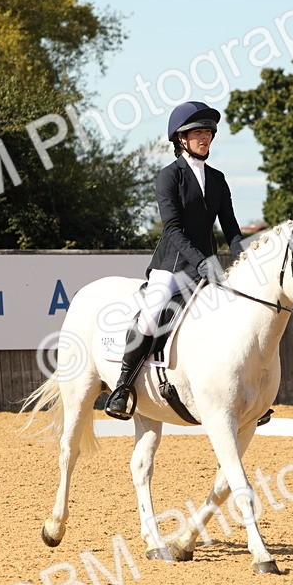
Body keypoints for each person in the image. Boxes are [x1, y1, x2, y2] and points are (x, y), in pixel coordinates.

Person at [104, 100, 244, 420]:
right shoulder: (169, 177)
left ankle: (244, 392)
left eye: (208, 132)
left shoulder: (219, 179)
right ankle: (123, 387)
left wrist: (244, 261)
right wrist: (200, 262)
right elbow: (173, 229)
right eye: (198, 132)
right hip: (172, 265)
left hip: (207, 266)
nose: (205, 137)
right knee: (152, 315)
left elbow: (232, 230)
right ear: (181, 139)